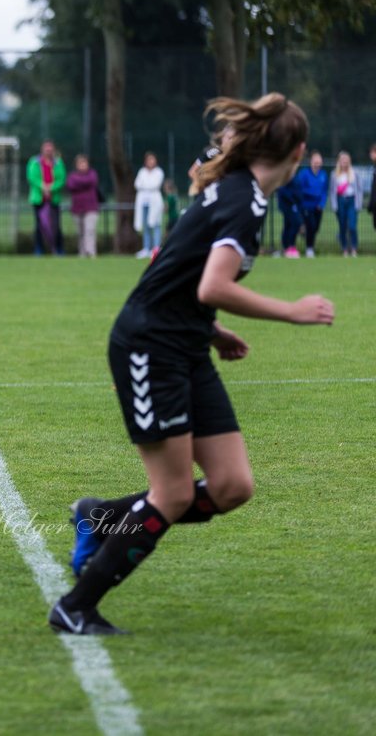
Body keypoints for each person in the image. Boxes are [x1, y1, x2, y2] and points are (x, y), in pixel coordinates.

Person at [49, 93, 334, 636]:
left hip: (185, 343)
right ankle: (75, 607)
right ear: (299, 151)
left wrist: (212, 329)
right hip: (149, 347)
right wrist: (292, 312)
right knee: (175, 492)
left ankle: (98, 516)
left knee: (231, 486)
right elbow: (211, 283)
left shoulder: (238, 193)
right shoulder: (242, 202)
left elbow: (178, 271)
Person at [26, 140, 65, 255]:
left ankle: (59, 249)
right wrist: (43, 187)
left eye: (50, 149)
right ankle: (39, 250)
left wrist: (51, 188)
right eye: (46, 149)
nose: (48, 151)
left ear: (53, 150)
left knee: (56, 226)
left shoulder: (58, 163)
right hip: (39, 199)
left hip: (54, 198)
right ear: (42, 150)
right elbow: (32, 177)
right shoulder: (34, 162)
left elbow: (61, 179)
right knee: (39, 226)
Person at [65, 154, 100, 258]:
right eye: (80, 163)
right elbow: (70, 185)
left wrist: (79, 183)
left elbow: (91, 181)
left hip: (91, 207)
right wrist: (83, 183)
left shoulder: (92, 174)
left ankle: (91, 252)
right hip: (77, 208)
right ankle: (82, 253)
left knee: (89, 230)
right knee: (80, 232)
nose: (82, 165)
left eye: (84, 163)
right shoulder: (72, 176)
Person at [295, 150, 328, 258]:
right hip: (306, 206)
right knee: (311, 226)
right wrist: (313, 194)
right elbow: (300, 189)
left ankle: (304, 233)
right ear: (311, 162)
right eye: (315, 161)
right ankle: (310, 248)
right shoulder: (304, 173)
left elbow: (324, 191)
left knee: (316, 228)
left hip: (318, 207)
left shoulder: (323, 175)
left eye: (319, 161)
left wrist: (322, 203)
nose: (317, 163)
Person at [133, 151, 164, 259]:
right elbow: (137, 184)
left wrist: (145, 185)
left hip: (154, 202)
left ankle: (156, 248)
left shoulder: (159, 172)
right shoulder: (142, 171)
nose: (150, 162)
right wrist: (146, 185)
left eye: (152, 159)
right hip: (144, 202)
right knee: (145, 226)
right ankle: (146, 248)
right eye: (148, 160)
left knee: (155, 224)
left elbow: (154, 185)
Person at [329, 150, 361, 257]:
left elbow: (359, 190)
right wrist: (334, 205)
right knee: (342, 226)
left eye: (346, 160)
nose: (344, 163)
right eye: (342, 160)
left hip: (351, 200)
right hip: (340, 201)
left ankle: (354, 248)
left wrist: (358, 204)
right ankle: (344, 248)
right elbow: (332, 191)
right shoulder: (334, 174)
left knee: (352, 226)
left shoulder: (354, 173)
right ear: (339, 162)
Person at [276, 165, 302, 258]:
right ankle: (290, 246)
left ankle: (287, 247)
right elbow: (282, 191)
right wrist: (293, 200)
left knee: (289, 225)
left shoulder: (295, 175)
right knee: (296, 223)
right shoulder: (285, 177)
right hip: (287, 205)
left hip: (294, 205)